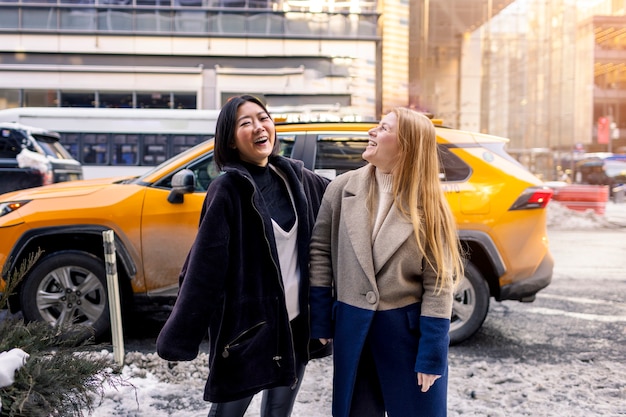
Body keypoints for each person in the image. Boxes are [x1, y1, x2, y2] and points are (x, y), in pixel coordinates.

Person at [156, 94, 329, 417]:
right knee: (227, 414)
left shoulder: (296, 178)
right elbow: (203, 268)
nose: (259, 127)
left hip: (293, 327)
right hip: (246, 332)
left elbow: (347, 195)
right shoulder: (227, 190)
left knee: (278, 413)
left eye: (263, 118)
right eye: (245, 123)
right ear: (231, 141)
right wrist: (179, 336)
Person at [309, 107, 465, 417]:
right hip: (353, 331)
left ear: (406, 145)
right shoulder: (341, 189)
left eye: (383, 128)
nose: (372, 132)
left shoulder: (430, 205)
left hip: (407, 336)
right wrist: (322, 318)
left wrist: (432, 355)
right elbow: (320, 253)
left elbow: (439, 282)